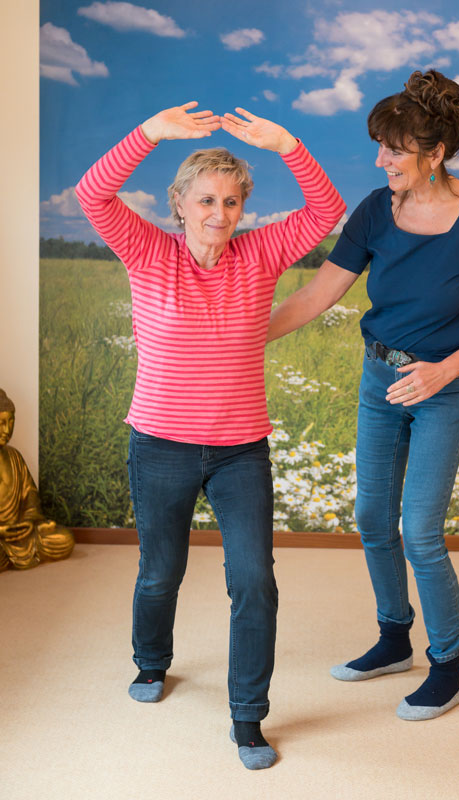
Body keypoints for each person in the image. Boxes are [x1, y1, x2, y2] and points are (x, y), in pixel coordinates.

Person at [75, 101, 345, 768]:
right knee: (160, 572)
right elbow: (93, 193)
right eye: (205, 200)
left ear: (243, 207)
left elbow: (325, 210)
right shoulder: (147, 249)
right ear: (180, 204)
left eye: (231, 201)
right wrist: (149, 132)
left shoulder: (260, 253)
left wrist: (288, 144)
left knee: (254, 579)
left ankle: (248, 716)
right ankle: (150, 661)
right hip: (159, 447)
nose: (218, 213)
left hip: (239, 452)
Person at [267, 70, 459, 720]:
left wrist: (440, 373)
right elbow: (319, 294)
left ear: (435, 153)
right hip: (381, 377)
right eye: (380, 147)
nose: (380, 161)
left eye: (395, 150)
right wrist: (241, 339)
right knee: (373, 519)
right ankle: (392, 637)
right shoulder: (377, 210)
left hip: (443, 387)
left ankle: (448, 664)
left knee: (420, 531)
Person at [0, 388, 74, 571]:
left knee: (64, 539)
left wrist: (31, 522)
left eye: (11, 422)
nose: (7, 430)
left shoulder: (14, 457)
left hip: (22, 533)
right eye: (1, 423)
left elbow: (30, 497)